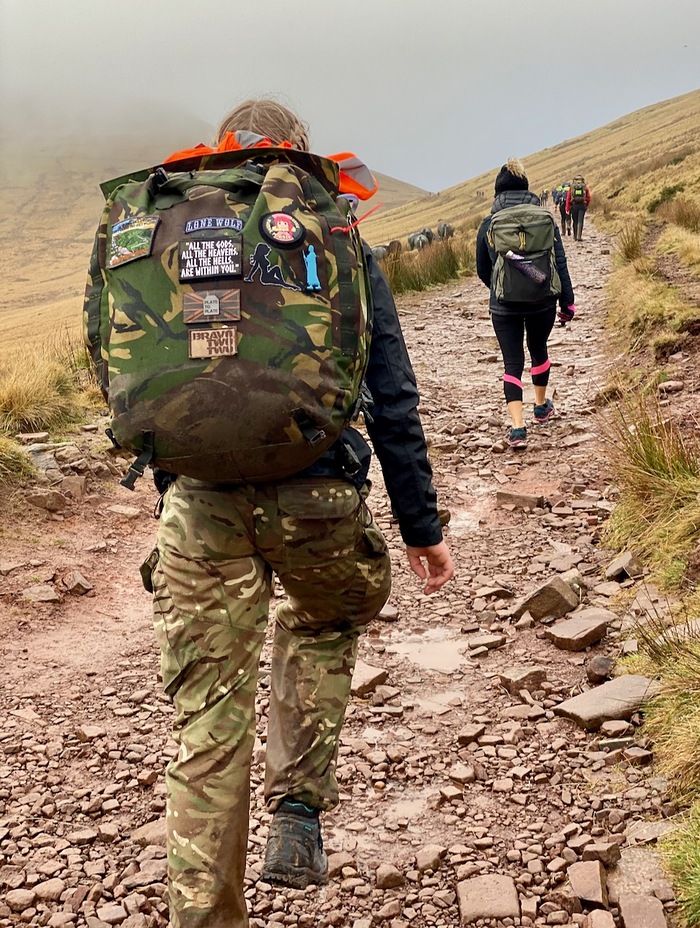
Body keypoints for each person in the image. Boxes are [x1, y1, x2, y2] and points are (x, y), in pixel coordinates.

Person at [145, 99, 455, 928]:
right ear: (300, 155)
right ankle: (299, 807)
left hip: (199, 504)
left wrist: (172, 475)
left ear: (223, 153)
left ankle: (205, 918)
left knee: (207, 717)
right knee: (323, 620)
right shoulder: (335, 230)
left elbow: (136, 375)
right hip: (318, 495)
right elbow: (392, 395)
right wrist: (421, 527)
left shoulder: (166, 227)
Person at [476, 158, 576, 450]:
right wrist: (567, 301)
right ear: (526, 187)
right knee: (539, 349)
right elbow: (559, 261)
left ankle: (518, 428)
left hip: (503, 306)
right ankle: (541, 406)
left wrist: (500, 290)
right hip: (542, 299)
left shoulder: (488, 223)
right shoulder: (544, 218)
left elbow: (482, 268)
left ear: (498, 191)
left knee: (512, 362)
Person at [565, 174, 591, 241]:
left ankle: (575, 236)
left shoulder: (572, 187)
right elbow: (588, 197)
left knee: (575, 221)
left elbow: (568, 198)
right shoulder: (584, 187)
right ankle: (579, 236)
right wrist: (586, 205)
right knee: (580, 220)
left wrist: (567, 208)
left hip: (574, 206)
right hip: (582, 205)